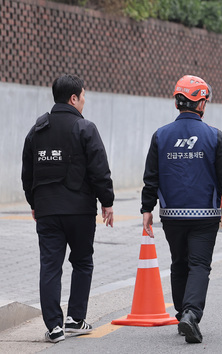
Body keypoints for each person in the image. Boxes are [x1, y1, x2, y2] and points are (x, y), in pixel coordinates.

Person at [141, 75, 222, 344]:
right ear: (200, 103)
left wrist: (146, 208)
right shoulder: (213, 136)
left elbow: (151, 176)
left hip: (171, 215)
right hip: (205, 215)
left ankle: (182, 314)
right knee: (199, 264)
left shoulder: (161, 135)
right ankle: (191, 313)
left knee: (179, 263)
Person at [21, 74, 114, 343]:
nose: (84, 101)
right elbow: (99, 170)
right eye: (83, 96)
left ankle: (55, 327)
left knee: (50, 266)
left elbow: (28, 173)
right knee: (82, 261)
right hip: (80, 211)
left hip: (47, 211)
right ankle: (75, 318)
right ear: (73, 98)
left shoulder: (36, 130)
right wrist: (106, 201)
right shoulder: (85, 128)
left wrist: (34, 203)